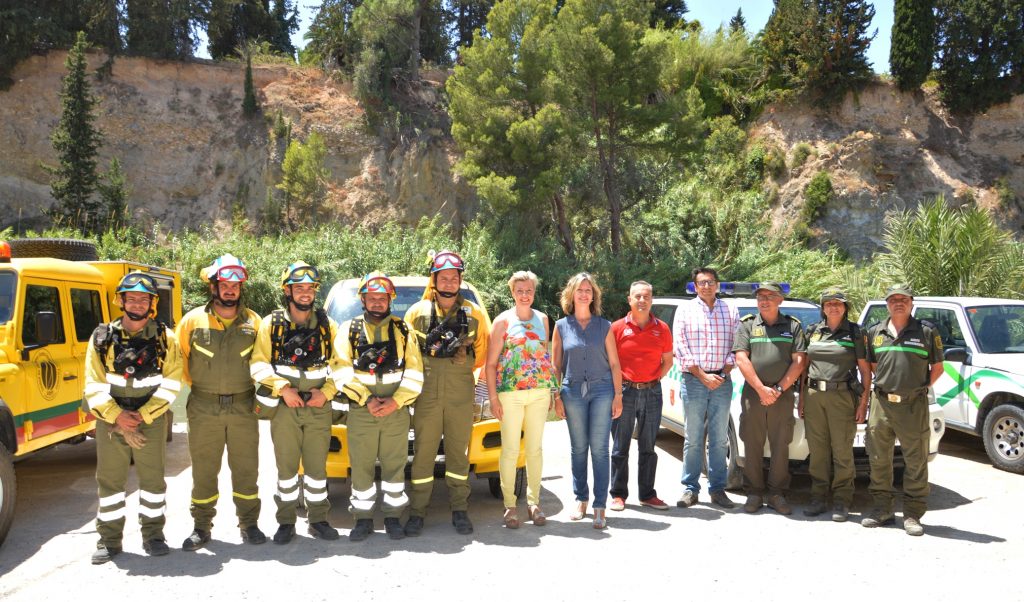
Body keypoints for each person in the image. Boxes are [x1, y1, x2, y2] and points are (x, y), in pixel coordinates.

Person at [84, 272, 183, 564]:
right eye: (132, 298)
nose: (137, 303)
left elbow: (172, 383)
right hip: (112, 423)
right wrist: (117, 418)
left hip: (148, 421)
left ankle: (153, 536)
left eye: (144, 298)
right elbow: (93, 383)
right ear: (121, 300)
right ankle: (109, 541)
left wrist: (140, 416)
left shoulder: (166, 338)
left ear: (152, 303)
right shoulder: (102, 338)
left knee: (153, 482)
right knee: (110, 484)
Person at [177, 254, 265, 551]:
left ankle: (249, 524)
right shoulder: (192, 320)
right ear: (212, 287)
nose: (230, 290)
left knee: (246, 468)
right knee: (204, 469)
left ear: (241, 288)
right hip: (203, 407)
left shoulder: (254, 322)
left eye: (235, 285)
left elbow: (263, 361)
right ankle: (201, 527)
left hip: (243, 406)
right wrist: (205, 391)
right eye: (224, 284)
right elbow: (181, 363)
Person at [250, 261, 340, 544]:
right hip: (285, 407)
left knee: (316, 469)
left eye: (309, 288)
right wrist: (282, 389)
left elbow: (342, 365)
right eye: (298, 288)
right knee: (287, 469)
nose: (305, 293)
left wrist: (326, 392)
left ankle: (318, 520)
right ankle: (286, 522)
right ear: (287, 291)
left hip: (318, 405)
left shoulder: (329, 326)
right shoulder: (272, 324)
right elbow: (258, 363)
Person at [404, 250, 491, 537]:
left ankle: (459, 510)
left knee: (457, 455)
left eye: (454, 278)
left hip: (460, 393)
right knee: (423, 455)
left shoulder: (474, 314)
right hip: (427, 392)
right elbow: (406, 353)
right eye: (444, 277)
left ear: (460, 281)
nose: (450, 282)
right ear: (435, 280)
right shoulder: (417, 313)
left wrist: (462, 356)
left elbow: (483, 355)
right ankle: (417, 511)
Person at [333, 272, 424, 542]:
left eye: (381, 298)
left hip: (396, 410)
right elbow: (340, 370)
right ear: (363, 299)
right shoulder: (348, 330)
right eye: (371, 298)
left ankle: (393, 517)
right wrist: (367, 399)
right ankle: (362, 519)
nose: (376, 303)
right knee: (361, 465)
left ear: (389, 300)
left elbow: (415, 371)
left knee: (394, 465)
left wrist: (396, 401)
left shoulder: (404, 330)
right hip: (362, 410)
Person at [863, 284, 943, 536]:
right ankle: (882, 510)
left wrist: (916, 389)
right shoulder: (875, 331)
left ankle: (912, 514)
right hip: (882, 403)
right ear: (886, 303)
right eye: (893, 299)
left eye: (903, 299)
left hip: (913, 405)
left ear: (911, 302)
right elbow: (874, 365)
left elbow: (938, 368)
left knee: (916, 460)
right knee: (878, 458)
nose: (898, 303)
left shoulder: (927, 332)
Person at [485, 270, 558, 528]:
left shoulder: (542, 319)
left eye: (528, 291)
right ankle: (509, 505)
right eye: (519, 291)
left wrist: (551, 390)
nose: (524, 295)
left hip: (538, 393)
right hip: (510, 395)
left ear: (534, 292)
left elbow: (544, 357)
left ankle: (534, 503)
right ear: (512, 293)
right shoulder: (502, 321)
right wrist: (493, 398)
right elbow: (491, 363)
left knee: (535, 449)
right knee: (511, 450)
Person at [552, 273, 623, 529]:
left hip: (602, 390)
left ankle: (599, 505)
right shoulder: (561, 326)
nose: (584, 294)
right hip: (571, 392)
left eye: (588, 290)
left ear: (594, 296)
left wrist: (618, 395)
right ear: (571, 295)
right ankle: (580, 499)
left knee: (600, 450)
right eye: (580, 290)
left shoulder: (604, 326)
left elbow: (615, 364)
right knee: (579, 448)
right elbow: (555, 365)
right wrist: (556, 395)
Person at [732, 281, 807, 515]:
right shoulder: (747, 325)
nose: (764, 300)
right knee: (752, 444)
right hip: (753, 395)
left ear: (780, 300)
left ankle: (777, 494)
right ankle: (753, 493)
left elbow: (799, 362)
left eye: (770, 296)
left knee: (780, 445)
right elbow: (741, 359)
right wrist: (762, 389)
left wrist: (778, 389)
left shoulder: (793, 326)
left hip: (782, 396)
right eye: (760, 296)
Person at [799, 287, 871, 522]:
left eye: (838, 303)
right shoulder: (812, 331)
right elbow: (804, 367)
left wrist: (863, 403)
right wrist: (801, 397)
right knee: (818, 451)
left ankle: (842, 500)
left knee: (842, 451)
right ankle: (818, 497)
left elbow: (864, 370)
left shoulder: (855, 332)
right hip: (813, 396)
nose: (833, 306)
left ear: (845, 307)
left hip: (842, 397)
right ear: (822, 308)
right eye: (828, 303)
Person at [673, 267, 740, 509]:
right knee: (693, 437)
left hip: (722, 382)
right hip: (693, 381)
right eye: (701, 282)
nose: (706, 286)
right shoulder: (685, 309)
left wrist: (722, 374)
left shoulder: (731, 310)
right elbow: (680, 347)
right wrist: (702, 376)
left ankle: (718, 489)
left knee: (720, 438)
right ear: (695, 286)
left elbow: (737, 344)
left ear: (717, 285)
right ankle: (690, 488)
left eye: (711, 282)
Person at [608, 281, 673, 512]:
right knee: (620, 446)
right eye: (637, 296)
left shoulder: (662, 328)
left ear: (651, 300)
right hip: (624, 392)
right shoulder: (616, 328)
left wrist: (653, 379)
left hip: (652, 392)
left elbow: (668, 361)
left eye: (646, 296)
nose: (642, 300)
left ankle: (647, 494)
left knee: (648, 446)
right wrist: (618, 390)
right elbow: (610, 363)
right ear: (630, 300)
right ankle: (618, 494)